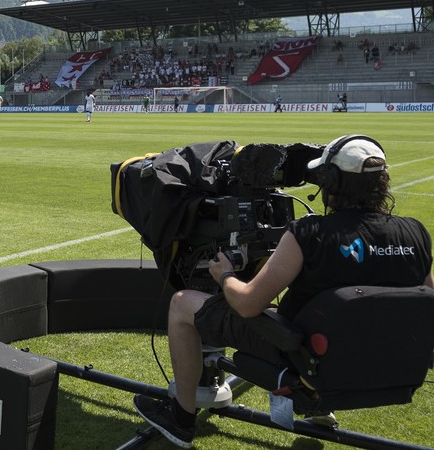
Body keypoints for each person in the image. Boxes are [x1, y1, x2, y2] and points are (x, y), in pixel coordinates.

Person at [133, 135, 433, 449]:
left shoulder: (310, 233)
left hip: (305, 361)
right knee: (327, 313)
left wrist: (226, 276)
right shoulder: (416, 233)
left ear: (329, 181)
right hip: (386, 366)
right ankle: (322, 409)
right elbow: (425, 305)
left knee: (183, 304)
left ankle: (180, 418)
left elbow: (247, 304)